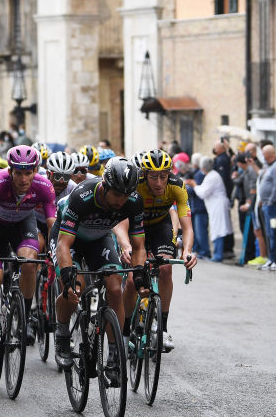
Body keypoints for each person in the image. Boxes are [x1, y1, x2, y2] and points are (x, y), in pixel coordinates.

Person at [52, 157, 146, 371]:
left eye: (125, 195)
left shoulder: (134, 201)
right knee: (75, 287)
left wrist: (139, 273)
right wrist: (67, 277)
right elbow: (64, 244)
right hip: (68, 238)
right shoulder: (82, 195)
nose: (121, 201)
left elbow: (139, 246)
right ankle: (62, 333)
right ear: (104, 186)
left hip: (99, 239)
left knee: (114, 287)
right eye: (117, 194)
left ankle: (114, 355)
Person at [0, 145, 56, 358]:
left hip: (22, 225)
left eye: (28, 173)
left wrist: (56, 250)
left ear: (35, 171)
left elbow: (52, 225)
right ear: (10, 171)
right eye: (18, 173)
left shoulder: (44, 186)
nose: (23, 179)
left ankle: (25, 318)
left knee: (29, 263)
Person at [130, 149, 197, 350]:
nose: (159, 182)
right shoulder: (135, 186)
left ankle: (163, 327)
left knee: (165, 268)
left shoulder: (177, 186)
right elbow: (123, 219)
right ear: (144, 174)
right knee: (136, 270)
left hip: (161, 225)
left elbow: (187, 225)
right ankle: (130, 321)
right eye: (153, 177)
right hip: (137, 225)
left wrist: (187, 251)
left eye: (163, 176)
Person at [186, 157, 231, 261]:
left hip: (217, 206)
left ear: (203, 167)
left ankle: (218, 255)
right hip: (215, 206)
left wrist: (194, 185)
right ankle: (217, 254)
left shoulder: (212, 177)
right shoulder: (211, 175)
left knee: (218, 230)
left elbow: (203, 193)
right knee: (217, 229)